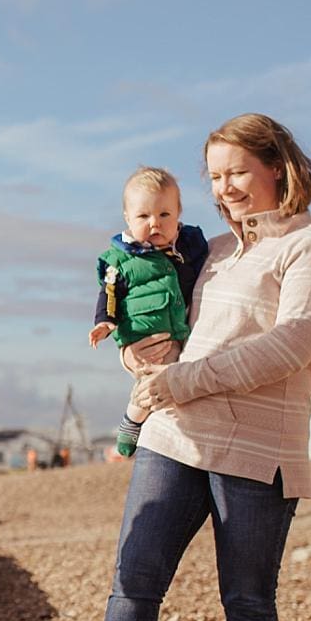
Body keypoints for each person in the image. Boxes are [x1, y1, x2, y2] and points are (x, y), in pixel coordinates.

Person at [65, 115, 311, 621]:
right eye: (215, 177)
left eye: (238, 172)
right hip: (174, 437)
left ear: (277, 166)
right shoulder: (211, 252)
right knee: (134, 580)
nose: (226, 188)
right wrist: (136, 355)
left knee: (247, 598)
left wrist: (182, 378)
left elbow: (293, 344)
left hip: (258, 449)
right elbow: (163, 324)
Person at [89, 166, 210, 458]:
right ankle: (132, 419)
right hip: (141, 329)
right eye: (143, 216)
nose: (154, 223)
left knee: (172, 369)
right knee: (156, 370)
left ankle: (148, 419)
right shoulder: (121, 258)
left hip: (175, 329)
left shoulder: (190, 248)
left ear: (179, 214)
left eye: (164, 215)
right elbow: (109, 294)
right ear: (128, 219)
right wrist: (104, 324)